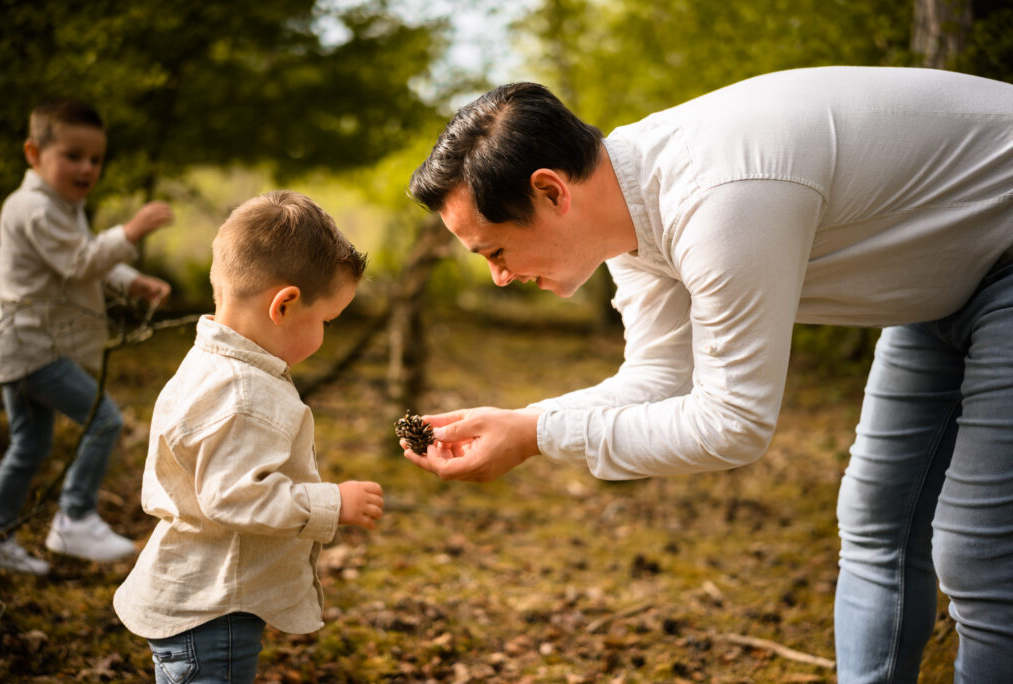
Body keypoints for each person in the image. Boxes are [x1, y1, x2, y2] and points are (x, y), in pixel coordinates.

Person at [403, 68, 1013, 683]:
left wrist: (538, 436)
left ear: (551, 192)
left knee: (975, 551)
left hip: (1004, 252)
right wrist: (528, 421)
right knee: (878, 521)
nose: (499, 278)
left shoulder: (719, 195)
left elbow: (734, 423)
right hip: (940, 288)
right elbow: (658, 378)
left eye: (495, 251)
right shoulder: (629, 212)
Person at [113, 190, 385, 683]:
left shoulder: (213, 365)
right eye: (326, 321)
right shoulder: (242, 394)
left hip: (208, 602)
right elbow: (233, 497)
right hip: (211, 615)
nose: (326, 336)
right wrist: (331, 504)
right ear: (284, 304)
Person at [0, 97, 173, 575]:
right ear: (34, 154)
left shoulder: (62, 206)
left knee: (29, 446)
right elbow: (79, 263)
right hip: (31, 347)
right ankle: (74, 517)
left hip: (23, 346)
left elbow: (85, 259)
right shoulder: (31, 208)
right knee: (105, 421)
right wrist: (131, 231)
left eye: (95, 159)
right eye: (73, 155)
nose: (86, 167)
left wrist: (131, 280)